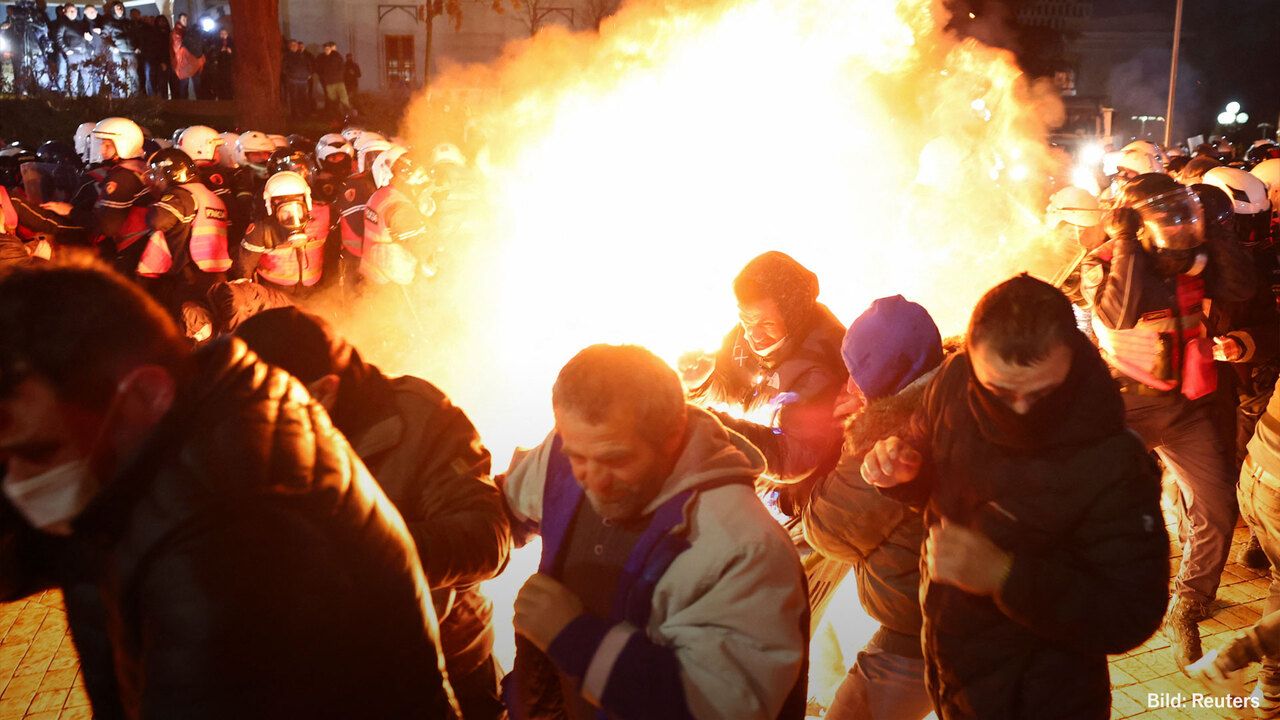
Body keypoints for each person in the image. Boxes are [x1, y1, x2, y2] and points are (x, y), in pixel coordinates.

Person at [0, 261, 460, 718]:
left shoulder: (230, 544)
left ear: (143, 395)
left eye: (39, 454)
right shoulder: (159, 440)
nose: (19, 481)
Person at [863, 274, 1170, 719]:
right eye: (999, 393)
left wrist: (1004, 575)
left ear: (1072, 356)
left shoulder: (1113, 461)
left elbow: (1131, 613)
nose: (1021, 412)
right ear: (971, 357)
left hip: (1048, 700)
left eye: (1043, 392)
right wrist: (901, 473)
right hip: (955, 673)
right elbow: (931, 469)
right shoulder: (952, 383)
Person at [501, 343, 809, 720]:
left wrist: (573, 637)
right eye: (576, 457)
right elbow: (505, 511)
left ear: (671, 437)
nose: (592, 480)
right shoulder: (567, 450)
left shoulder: (744, 547)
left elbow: (721, 711)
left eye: (616, 459)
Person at [234, 307, 512, 720]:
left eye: (270, 414)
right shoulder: (246, 425)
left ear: (324, 392)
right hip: (325, 678)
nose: (256, 431)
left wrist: (372, 549)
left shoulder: (420, 418)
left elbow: (487, 538)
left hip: (444, 664)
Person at [1080, 172, 1256, 667]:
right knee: (1104, 508)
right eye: (1168, 220)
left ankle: (1190, 603)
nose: (1180, 230)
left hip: (1185, 409)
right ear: (1135, 223)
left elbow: (1241, 287)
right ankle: (1094, 593)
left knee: (1218, 509)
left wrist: (1218, 236)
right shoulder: (1104, 264)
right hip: (1125, 408)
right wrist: (1127, 244)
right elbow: (1119, 313)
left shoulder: (1195, 262)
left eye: (1185, 217)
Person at [802, 295, 944, 720]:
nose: (848, 387)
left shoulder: (889, 435)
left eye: (857, 373)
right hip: (937, 613)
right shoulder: (953, 390)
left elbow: (824, 530)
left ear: (891, 372)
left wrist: (854, 437)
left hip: (919, 633)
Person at [134, 148, 231, 337]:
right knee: (209, 330)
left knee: (184, 333)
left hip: (189, 277)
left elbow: (158, 220)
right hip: (216, 276)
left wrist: (150, 200)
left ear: (172, 174)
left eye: (158, 175)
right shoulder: (210, 196)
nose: (156, 180)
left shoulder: (181, 195)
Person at [238, 171, 327, 293]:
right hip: (274, 292)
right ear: (271, 205)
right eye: (282, 202)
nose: (291, 212)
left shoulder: (322, 217)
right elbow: (244, 267)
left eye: (297, 201)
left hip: (314, 290)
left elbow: (334, 249)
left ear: (307, 200)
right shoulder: (261, 229)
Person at [97, 2, 137, 97]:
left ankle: (135, 98)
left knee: (134, 75)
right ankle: (123, 98)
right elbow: (103, 37)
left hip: (131, 52)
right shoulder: (109, 22)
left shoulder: (128, 22)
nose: (120, 9)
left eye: (121, 7)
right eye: (117, 7)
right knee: (121, 76)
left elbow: (136, 35)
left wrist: (137, 46)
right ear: (113, 10)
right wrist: (112, 47)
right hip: (118, 52)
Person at [52, 3, 90, 96]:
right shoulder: (63, 24)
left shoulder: (80, 23)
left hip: (83, 52)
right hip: (72, 53)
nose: (74, 13)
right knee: (74, 75)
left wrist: (89, 40)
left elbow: (86, 36)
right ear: (65, 12)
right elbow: (58, 37)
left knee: (86, 74)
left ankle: (89, 96)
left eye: (75, 11)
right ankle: (73, 96)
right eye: (71, 11)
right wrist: (66, 49)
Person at [169, 11, 202, 99]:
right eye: (183, 19)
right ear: (179, 20)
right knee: (184, 84)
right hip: (182, 61)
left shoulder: (188, 30)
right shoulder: (176, 32)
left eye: (186, 20)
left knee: (196, 82)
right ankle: (184, 104)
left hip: (191, 60)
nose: (185, 21)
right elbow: (177, 45)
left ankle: (200, 102)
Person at [315, 42, 351, 118]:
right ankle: (335, 115)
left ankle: (347, 114)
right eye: (326, 49)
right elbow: (318, 69)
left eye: (328, 48)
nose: (327, 50)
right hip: (329, 83)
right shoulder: (321, 58)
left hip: (339, 81)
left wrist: (339, 75)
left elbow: (342, 67)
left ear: (331, 49)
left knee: (344, 98)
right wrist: (324, 77)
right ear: (324, 49)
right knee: (332, 100)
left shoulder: (336, 56)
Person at [282, 39, 312, 119]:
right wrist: (291, 76)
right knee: (294, 98)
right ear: (289, 46)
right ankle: (295, 115)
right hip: (293, 81)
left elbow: (308, 64)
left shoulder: (301, 55)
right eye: (292, 45)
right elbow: (284, 68)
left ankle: (305, 114)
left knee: (303, 97)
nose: (294, 47)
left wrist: (309, 74)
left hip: (303, 80)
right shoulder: (287, 56)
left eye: (295, 45)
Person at [205, 27, 232, 99]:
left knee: (228, 81)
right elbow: (213, 53)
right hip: (219, 66)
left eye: (225, 34)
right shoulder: (217, 42)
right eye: (221, 34)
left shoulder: (231, 41)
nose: (223, 35)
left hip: (229, 66)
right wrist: (220, 50)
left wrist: (230, 51)